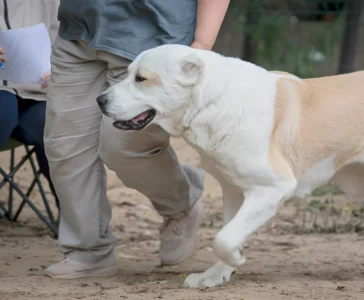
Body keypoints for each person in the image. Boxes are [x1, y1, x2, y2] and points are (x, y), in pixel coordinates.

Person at [44, 0, 231, 278]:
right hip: (78, 30)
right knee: (65, 144)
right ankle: (87, 250)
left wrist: (202, 45)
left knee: (123, 146)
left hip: (154, 39)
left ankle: (181, 202)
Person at [0, 0, 60, 200]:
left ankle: (76, 222)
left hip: (39, 90)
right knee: (3, 110)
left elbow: (73, 44)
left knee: (57, 122)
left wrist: (62, 68)